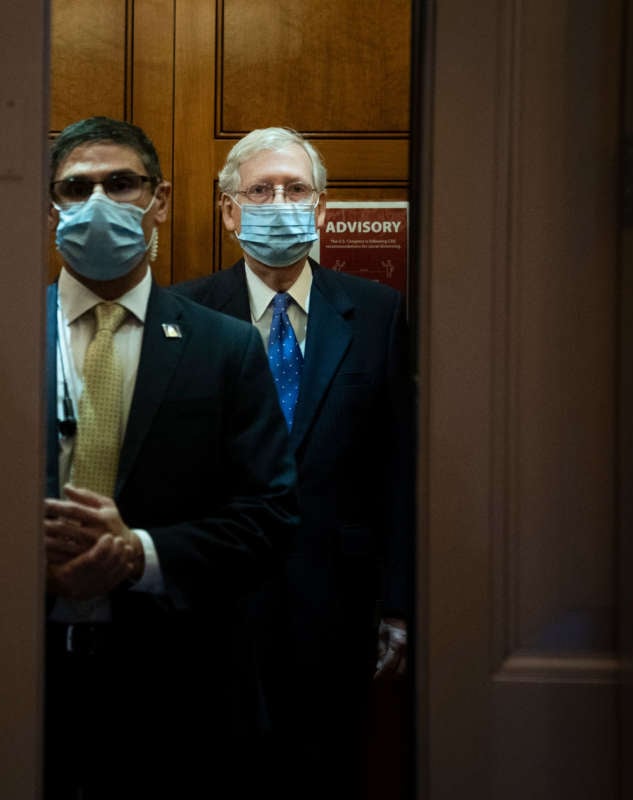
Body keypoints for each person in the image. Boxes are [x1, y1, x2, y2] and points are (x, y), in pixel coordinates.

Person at [41, 116, 298, 799]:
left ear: (159, 201)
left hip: (181, 691)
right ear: (51, 207)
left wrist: (140, 555)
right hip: (22, 687)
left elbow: (270, 515)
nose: (97, 202)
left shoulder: (226, 347)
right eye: (76, 188)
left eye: (121, 183)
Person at [175, 127, 416, 798]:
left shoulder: (376, 313)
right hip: (214, 607)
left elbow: (399, 468)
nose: (278, 202)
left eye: (295, 189)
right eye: (259, 190)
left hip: (337, 607)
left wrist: (398, 605)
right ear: (228, 210)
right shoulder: (184, 314)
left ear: (322, 209)